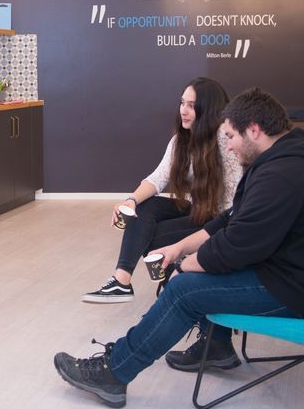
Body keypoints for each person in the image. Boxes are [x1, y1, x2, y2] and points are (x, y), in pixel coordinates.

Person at [54, 87, 304, 408]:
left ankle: (114, 372)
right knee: (191, 275)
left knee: (184, 290)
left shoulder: (282, 174)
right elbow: (231, 219)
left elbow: (235, 247)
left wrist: (184, 267)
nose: (228, 145)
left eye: (231, 136)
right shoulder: (287, 159)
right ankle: (214, 346)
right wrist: (179, 249)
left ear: (254, 129)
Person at [83, 77, 242, 303]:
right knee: (143, 207)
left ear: (208, 110)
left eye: (191, 105)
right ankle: (122, 281)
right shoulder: (181, 140)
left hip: (221, 221)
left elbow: (235, 200)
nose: (183, 110)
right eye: (182, 103)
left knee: (148, 235)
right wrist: (130, 201)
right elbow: (157, 178)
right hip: (197, 210)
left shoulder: (226, 141)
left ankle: (172, 280)